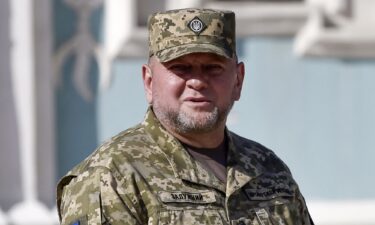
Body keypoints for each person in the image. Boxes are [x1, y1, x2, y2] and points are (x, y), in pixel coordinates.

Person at [57, 8, 314, 225]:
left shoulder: (268, 170)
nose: (197, 81)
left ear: (238, 81)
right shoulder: (112, 175)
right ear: (149, 82)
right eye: (180, 68)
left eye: (213, 68)